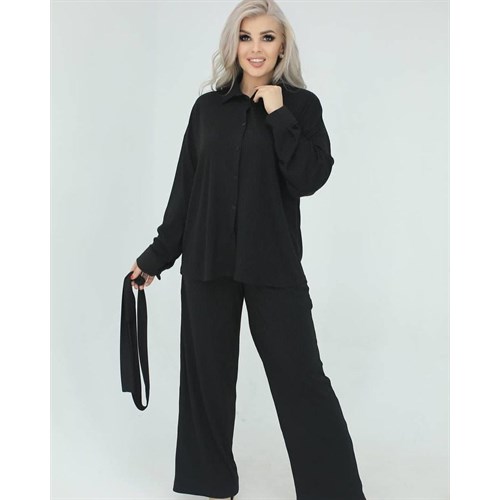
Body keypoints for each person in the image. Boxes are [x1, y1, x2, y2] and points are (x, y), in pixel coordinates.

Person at [129, 1, 367, 499]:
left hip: (272, 264)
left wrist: (278, 114)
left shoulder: (301, 107)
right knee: (206, 384)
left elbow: (309, 178)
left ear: (282, 46)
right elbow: (187, 189)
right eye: (245, 37)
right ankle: (210, 486)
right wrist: (156, 257)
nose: (255, 48)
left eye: (266, 38)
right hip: (207, 262)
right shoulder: (207, 110)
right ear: (232, 45)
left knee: (301, 379)